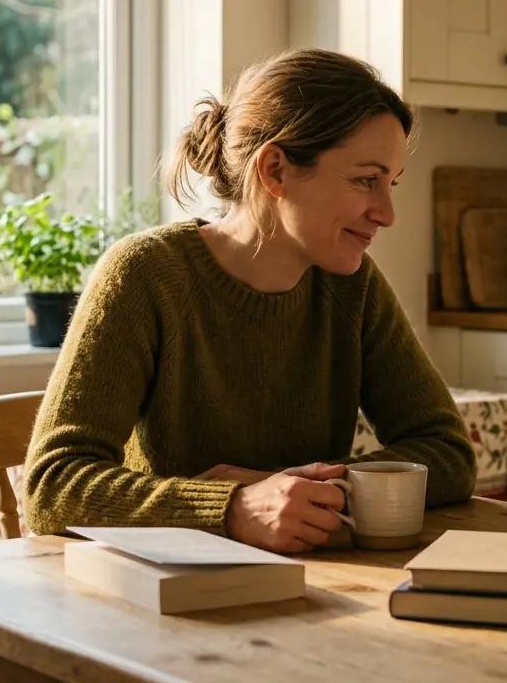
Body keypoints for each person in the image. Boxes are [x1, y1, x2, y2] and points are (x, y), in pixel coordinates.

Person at [24, 48, 476, 553]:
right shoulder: (144, 275)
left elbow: (448, 452)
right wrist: (233, 507)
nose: (386, 213)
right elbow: (52, 488)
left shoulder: (355, 286)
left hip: (315, 586)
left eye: (389, 184)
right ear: (276, 170)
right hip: (159, 601)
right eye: (366, 180)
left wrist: (293, 493)